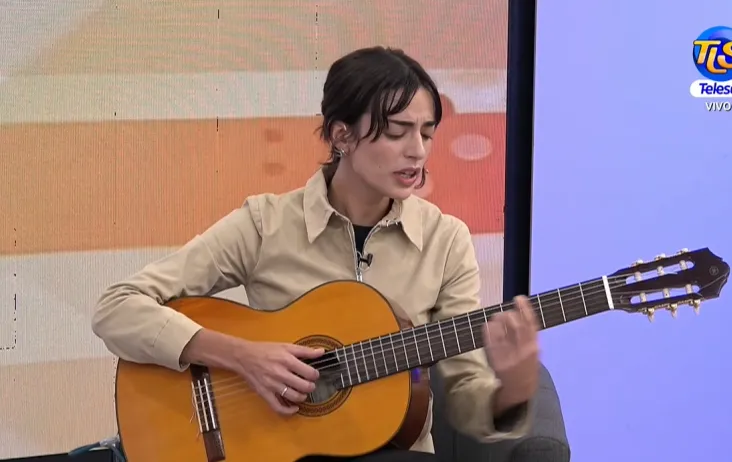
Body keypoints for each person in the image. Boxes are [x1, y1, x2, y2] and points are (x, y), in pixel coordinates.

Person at [91, 46, 541, 462]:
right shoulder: (266, 223)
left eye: (427, 133)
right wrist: (242, 356)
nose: (418, 152)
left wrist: (512, 391)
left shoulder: (446, 240)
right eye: (397, 132)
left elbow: (464, 394)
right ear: (341, 135)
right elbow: (117, 307)